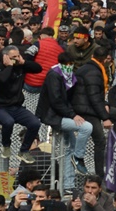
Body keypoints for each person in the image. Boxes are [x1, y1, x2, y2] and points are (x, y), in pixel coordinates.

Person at [36, 50, 94, 183]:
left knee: (69, 149)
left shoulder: (70, 76)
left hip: (62, 114)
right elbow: (56, 100)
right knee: (86, 127)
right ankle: (78, 157)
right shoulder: (54, 75)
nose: (69, 66)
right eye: (67, 64)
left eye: (71, 63)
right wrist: (72, 115)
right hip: (53, 116)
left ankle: (68, 184)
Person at [0, 44, 43, 164]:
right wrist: (9, 66)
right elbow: (2, 80)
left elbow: (38, 68)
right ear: (5, 57)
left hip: (17, 107)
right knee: (8, 122)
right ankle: (6, 145)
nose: (16, 59)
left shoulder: (21, 66)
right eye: (13, 57)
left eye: (18, 56)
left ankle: (24, 151)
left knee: (35, 123)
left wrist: (24, 62)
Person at [74, 43, 114, 183]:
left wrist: (106, 105)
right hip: (86, 110)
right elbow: (94, 97)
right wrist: (105, 117)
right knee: (100, 140)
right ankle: (99, 175)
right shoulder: (94, 72)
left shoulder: (91, 68)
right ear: (106, 59)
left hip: (87, 107)